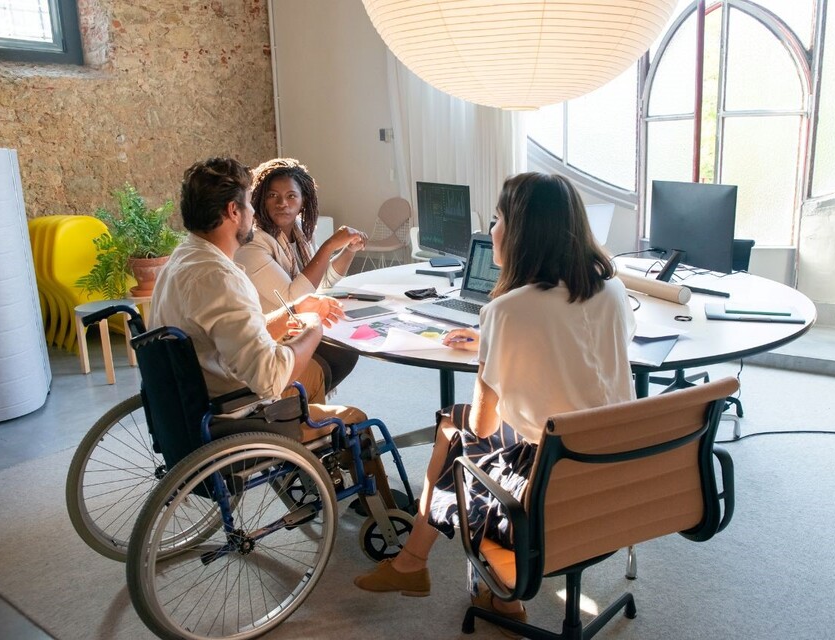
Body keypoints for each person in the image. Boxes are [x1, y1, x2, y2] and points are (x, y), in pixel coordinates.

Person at [353, 172, 636, 627]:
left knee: (454, 428)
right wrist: (499, 343)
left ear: (523, 233)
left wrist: (494, 347)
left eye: (499, 219)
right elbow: (584, 354)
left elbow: (483, 426)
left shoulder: (506, 311)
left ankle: (417, 565)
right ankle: (451, 579)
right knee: (458, 424)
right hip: (615, 465)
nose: (490, 231)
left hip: (548, 477)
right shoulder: (614, 291)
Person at [149, 156, 364, 435]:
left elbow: (227, 332)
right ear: (233, 211)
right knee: (356, 418)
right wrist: (313, 326)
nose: (254, 212)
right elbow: (269, 378)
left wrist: (296, 309)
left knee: (318, 371)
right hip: (238, 416)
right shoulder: (221, 278)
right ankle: (313, 458)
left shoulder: (182, 258)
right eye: (250, 202)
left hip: (191, 405)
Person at [235, 158, 366, 395]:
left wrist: (348, 250)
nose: (282, 203)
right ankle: (295, 405)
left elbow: (320, 282)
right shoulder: (253, 243)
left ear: (304, 200)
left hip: (296, 326)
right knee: (336, 351)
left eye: (291, 196)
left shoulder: (299, 233)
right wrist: (329, 246)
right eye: (273, 195)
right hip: (270, 338)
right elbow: (295, 296)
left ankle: (304, 405)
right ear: (260, 198)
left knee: (347, 345)